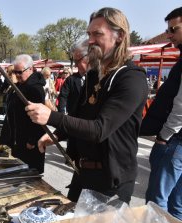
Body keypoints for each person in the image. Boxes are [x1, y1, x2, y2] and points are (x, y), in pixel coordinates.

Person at [25, 7, 148, 203]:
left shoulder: (131, 78)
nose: (90, 40)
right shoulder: (93, 75)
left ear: (120, 36)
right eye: (89, 34)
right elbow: (80, 116)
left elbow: (100, 129)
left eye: (97, 34)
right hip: (82, 172)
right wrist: (57, 135)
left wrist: (51, 117)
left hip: (111, 180)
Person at [141, 7, 182, 220]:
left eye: (173, 29)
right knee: (177, 203)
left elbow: (180, 106)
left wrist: (165, 135)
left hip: (175, 141)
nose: (169, 35)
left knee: (157, 201)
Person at [0, 54, 46, 174]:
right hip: (18, 139)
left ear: (30, 69)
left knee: (28, 175)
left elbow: (38, 119)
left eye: (19, 72)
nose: (16, 75)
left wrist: (32, 141)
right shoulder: (21, 85)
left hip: (29, 143)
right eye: (15, 72)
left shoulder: (35, 88)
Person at [57, 40, 89, 115]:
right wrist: (62, 114)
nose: (75, 65)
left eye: (77, 61)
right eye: (74, 62)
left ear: (88, 58)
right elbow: (63, 97)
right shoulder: (70, 80)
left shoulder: (98, 78)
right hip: (74, 118)